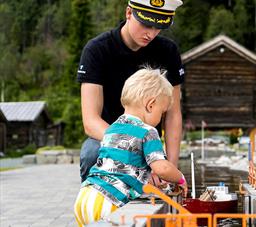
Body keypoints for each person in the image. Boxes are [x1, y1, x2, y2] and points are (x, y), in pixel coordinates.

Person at [77, 0, 185, 183]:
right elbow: (90, 121)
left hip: (150, 142)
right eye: (145, 24)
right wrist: (134, 145)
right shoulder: (97, 50)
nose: (150, 33)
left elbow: (173, 114)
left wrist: (170, 169)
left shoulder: (168, 52)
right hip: (107, 136)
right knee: (91, 153)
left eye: (158, 27)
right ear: (129, 13)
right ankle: (95, 208)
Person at [74, 68, 188, 226]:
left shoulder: (112, 128)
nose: (161, 118)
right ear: (150, 105)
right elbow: (162, 168)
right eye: (162, 113)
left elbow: (123, 168)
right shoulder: (148, 132)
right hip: (110, 201)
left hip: (86, 197)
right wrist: (180, 178)